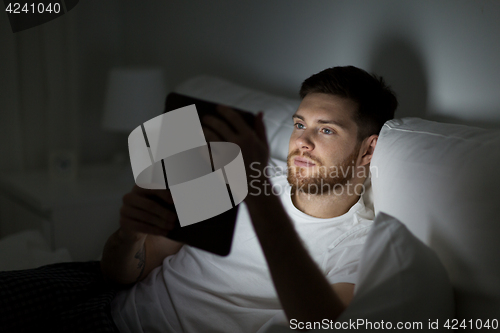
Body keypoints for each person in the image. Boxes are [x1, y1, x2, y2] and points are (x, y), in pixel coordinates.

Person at [0, 66, 397, 333]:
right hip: (108, 300)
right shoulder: (242, 175)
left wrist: (260, 204)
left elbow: (319, 323)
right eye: (299, 125)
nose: (302, 143)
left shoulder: (364, 246)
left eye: (326, 131)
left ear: (367, 150)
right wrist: (131, 235)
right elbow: (125, 271)